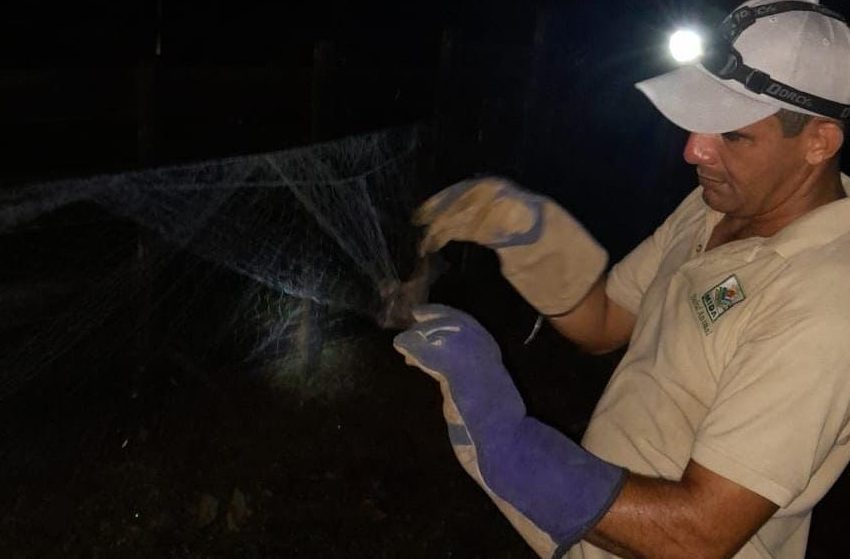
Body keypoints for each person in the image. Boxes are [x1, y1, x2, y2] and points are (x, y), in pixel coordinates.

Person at [393, 1, 850, 558]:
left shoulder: (827, 304)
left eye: (732, 134)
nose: (693, 148)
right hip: (599, 535)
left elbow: (697, 536)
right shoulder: (711, 209)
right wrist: (532, 236)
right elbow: (605, 323)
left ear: (819, 143)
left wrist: (511, 448)